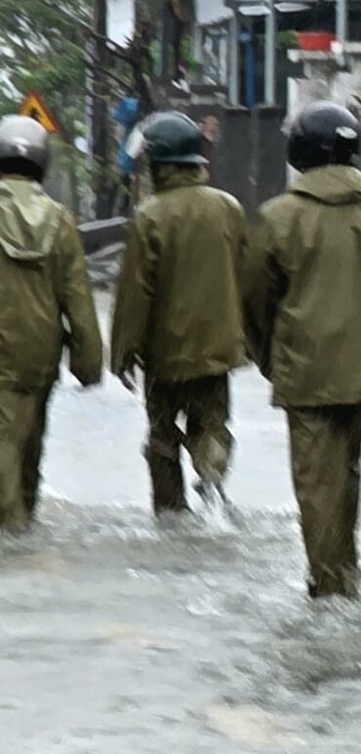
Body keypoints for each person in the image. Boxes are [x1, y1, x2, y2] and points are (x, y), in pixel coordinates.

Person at [244, 101, 361, 598]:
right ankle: (345, 575)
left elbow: (253, 303)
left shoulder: (278, 217)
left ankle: (329, 592)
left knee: (316, 485)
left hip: (305, 376)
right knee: (345, 474)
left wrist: (271, 360)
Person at [110, 110, 249, 515]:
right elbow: (248, 278)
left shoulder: (150, 216)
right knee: (212, 425)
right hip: (217, 351)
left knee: (162, 436)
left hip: (164, 354)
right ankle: (212, 481)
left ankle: (171, 516)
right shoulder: (229, 208)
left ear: (159, 163)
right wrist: (252, 341)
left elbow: (135, 292)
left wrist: (122, 354)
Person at [0, 114, 103, 534]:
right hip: (39, 356)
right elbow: (77, 298)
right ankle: (22, 526)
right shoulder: (60, 221)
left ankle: (12, 536)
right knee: (28, 446)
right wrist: (89, 363)